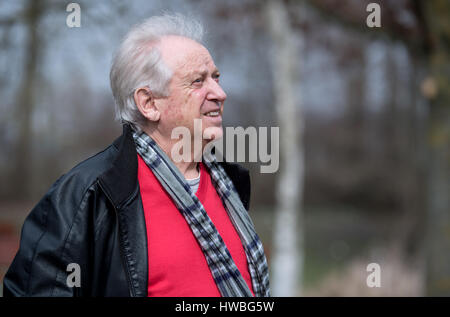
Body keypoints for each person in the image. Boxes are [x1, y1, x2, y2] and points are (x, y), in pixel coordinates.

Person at [3, 14, 270, 297]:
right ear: (149, 103)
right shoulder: (87, 196)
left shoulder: (229, 184)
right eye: (197, 81)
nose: (220, 93)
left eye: (216, 78)